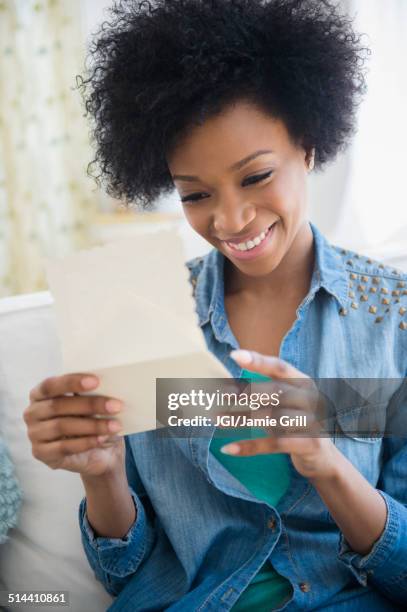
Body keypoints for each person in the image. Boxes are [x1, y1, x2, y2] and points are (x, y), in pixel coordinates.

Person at [24, 0, 407, 610]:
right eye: (196, 194)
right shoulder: (141, 312)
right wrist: (102, 472)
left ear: (307, 145)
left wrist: (327, 465)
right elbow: (129, 575)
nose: (229, 220)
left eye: (256, 177)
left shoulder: (393, 320)